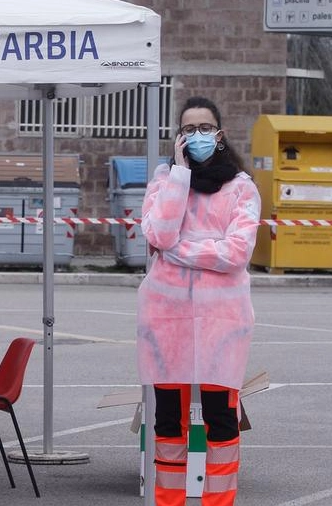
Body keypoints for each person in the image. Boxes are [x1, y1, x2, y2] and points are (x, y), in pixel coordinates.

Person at [137, 97, 261, 506]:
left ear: (220, 134)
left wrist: (180, 251)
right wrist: (178, 176)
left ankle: (218, 502)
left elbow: (236, 254)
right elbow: (157, 233)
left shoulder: (241, 187)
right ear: (178, 138)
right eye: (188, 130)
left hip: (221, 323)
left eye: (205, 128)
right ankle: (168, 500)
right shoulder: (164, 180)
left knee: (221, 421)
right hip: (166, 319)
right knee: (167, 421)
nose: (197, 136)